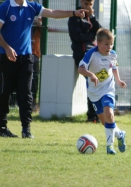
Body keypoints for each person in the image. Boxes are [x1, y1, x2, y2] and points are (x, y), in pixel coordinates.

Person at [0, 0, 87, 138]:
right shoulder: (5, 7)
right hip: (6, 57)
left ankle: (26, 129)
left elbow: (52, 13)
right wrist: (6, 48)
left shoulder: (31, 6)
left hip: (26, 57)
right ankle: (2, 127)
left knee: (26, 93)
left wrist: (73, 13)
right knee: (5, 93)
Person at [78, 28, 127, 155]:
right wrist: (91, 75)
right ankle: (120, 134)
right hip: (94, 93)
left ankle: (109, 146)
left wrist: (119, 80)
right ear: (98, 43)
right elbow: (80, 69)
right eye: (106, 44)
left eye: (111, 44)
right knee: (105, 122)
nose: (109, 47)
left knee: (109, 114)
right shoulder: (91, 54)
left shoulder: (113, 54)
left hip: (108, 89)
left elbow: (114, 67)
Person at [68, 0, 101, 123]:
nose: (88, 7)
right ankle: (92, 115)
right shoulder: (74, 17)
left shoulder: (90, 17)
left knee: (97, 83)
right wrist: (92, 35)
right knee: (91, 84)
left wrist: (92, 17)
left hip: (94, 55)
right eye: (86, 4)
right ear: (81, 2)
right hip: (82, 55)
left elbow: (100, 31)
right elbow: (77, 37)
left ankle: (98, 114)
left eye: (90, 5)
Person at [30, 0, 41, 111]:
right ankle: (13, 102)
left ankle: (33, 103)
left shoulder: (38, 12)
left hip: (35, 52)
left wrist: (39, 25)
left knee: (34, 78)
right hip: (21, 52)